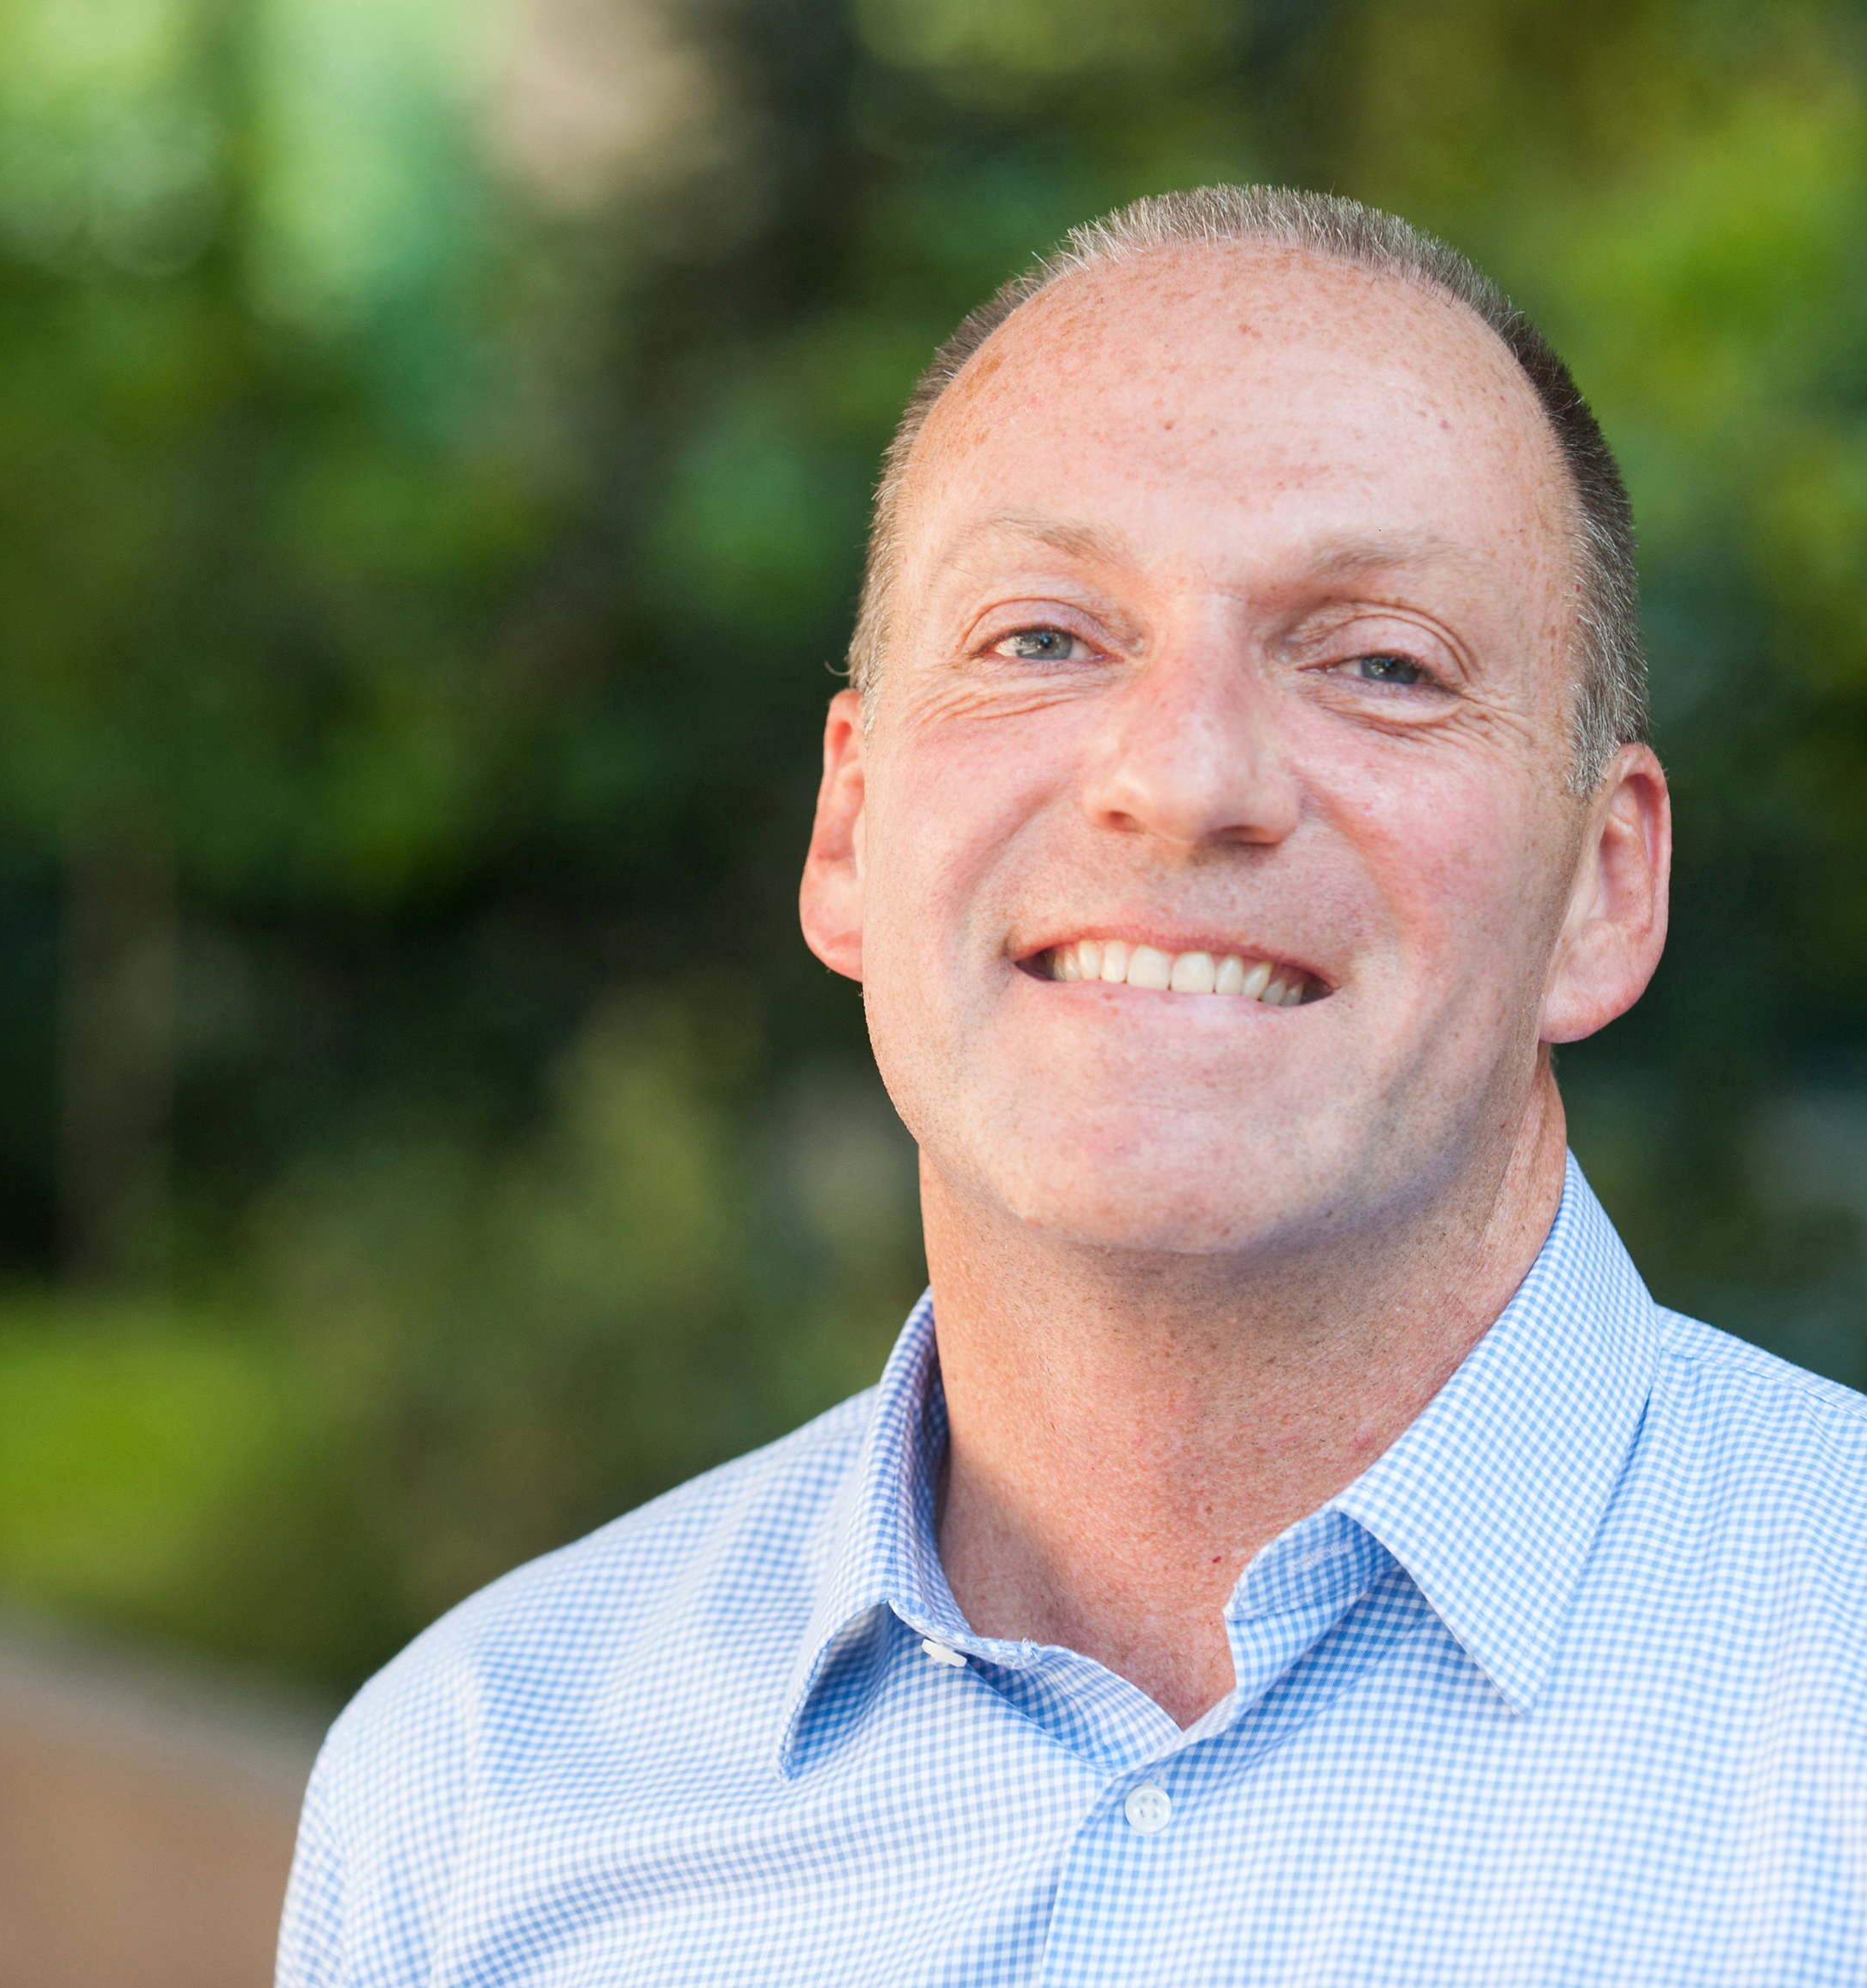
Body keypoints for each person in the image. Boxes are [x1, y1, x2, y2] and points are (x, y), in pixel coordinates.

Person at [276, 188, 1867, 1986]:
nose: (1182, 778)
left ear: (1606, 886)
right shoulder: (479, 1794)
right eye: (1042, 638)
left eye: (1380, 661)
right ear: (854, 827)